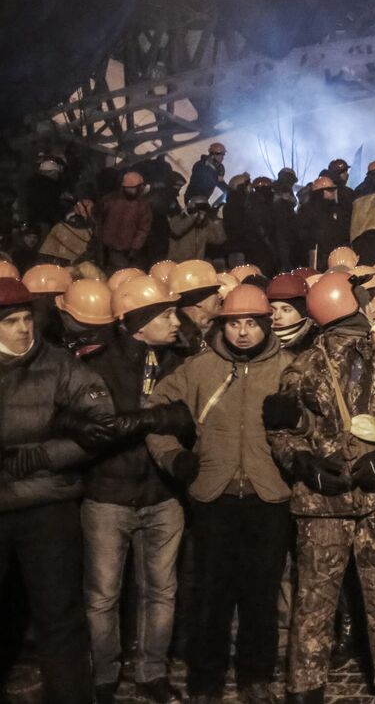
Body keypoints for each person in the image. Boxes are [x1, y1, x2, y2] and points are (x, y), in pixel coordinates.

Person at [264, 272, 375, 704]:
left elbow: (280, 431)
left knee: (314, 604)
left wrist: (304, 463)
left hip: (321, 503)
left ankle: (305, 690)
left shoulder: (298, 365)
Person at [144, 283, 297, 704]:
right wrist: (174, 458)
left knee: (261, 595)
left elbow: (316, 428)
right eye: (234, 324)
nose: (243, 333)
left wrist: (298, 428)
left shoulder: (291, 368)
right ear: (222, 325)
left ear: (266, 325)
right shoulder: (199, 368)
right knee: (211, 595)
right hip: (215, 497)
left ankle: (256, 676)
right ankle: (205, 680)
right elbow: (155, 415)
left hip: (269, 497)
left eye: (252, 323)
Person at [0, 276, 116, 704]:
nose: (22, 329)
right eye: (10, 321)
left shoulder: (60, 365)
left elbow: (101, 423)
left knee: (60, 616)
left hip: (48, 505)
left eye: (26, 319)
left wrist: (44, 455)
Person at [83, 276, 192, 704]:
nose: (176, 321)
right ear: (140, 322)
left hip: (162, 495)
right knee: (102, 595)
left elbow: (190, 416)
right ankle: (104, 675)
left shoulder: (179, 363)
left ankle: (151, 672)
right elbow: (99, 428)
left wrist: (150, 420)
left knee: (161, 592)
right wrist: (155, 418)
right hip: (109, 496)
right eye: (166, 314)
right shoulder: (98, 366)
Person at [167, 260, 222, 356]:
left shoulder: (223, 330)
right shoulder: (172, 337)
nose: (221, 296)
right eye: (215, 291)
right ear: (199, 299)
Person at [99, 170, 153, 269]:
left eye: (132, 189)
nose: (130, 192)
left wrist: (135, 248)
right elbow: (100, 219)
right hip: (104, 246)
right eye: (127, 189)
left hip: (124, 251)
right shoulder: (111, 200)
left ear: (140, 188)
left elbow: (143, 230)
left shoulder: (143, 206)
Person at [297, 176, 351, 270]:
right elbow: (302, 234)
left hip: (333, 255)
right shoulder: (308, 209)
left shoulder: (334, 208)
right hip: (316, 257)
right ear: (322, 192)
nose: (334, 192)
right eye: (330, 190)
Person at [267, 272, 317, 354]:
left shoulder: (316, 348)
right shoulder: (257, 345)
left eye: (286, 310)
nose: (277, 316)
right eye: (272, 310)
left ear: (302, 314)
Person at [168, 195, 226, 263]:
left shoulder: (204, 226)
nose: (202, 211)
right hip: (178, 264)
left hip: (196, 265)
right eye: (199, 207)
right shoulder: (178, 219)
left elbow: (219, 239)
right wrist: (194, 216)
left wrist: (216, 221)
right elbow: (176, 231)